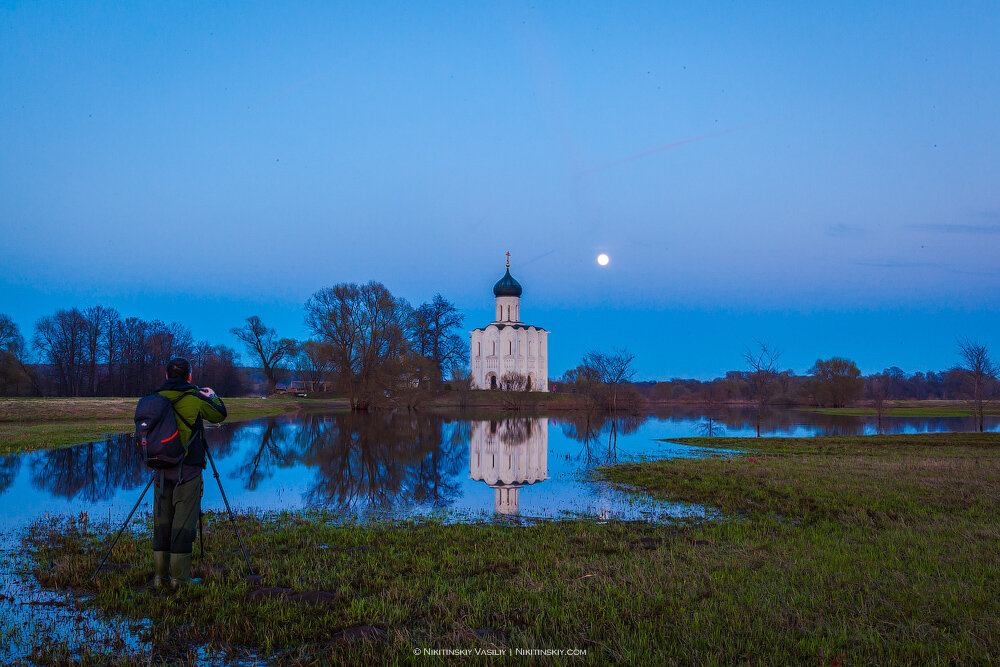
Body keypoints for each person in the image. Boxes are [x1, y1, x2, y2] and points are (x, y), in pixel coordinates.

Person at [152, 357, 227, 589]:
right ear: (189, 377)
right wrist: (212, 396)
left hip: (160, 470)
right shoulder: (195, 399)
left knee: (162, 524)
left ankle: (159, 578)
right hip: (189, 471)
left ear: (166, 376)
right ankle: (180, 581)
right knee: (183, 525)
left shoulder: (154, 399)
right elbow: (219, 415)